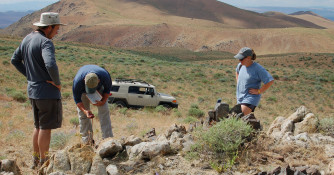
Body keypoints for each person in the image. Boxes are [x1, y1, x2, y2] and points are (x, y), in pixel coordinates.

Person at [11, 12, 65, 168]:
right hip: (47, 92)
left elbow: (14, 60)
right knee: (45, 128)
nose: (58, 31)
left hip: (33, 90)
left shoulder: (27, 38)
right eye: (56, 28)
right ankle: (43, 162)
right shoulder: (45, 42)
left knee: (38, 126)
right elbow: (50, 64)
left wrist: (30, 76)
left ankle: (35, 160)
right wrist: (57, 82)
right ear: (49, 27)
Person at [72, 65, 113, 144]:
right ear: (84, 80)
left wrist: (103, 101)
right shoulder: (77, 81)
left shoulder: (105, 76)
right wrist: (85, 111)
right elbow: (77, 100)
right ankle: (87, 141)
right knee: (83, 115)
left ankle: (108, 140)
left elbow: (107, 91)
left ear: (98, 80)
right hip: (82, 91)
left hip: (99, 90)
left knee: (104, 111)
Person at [234, 47, 274, 115]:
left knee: (239, 117)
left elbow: (270, 80)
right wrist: (239, 82)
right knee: (241, 120)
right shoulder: (240, 65)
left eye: (241, 58)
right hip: (240, 97)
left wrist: (259, 91)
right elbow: (237, 72)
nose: (239, 60)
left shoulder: (258, 68)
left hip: (250, 98)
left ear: (249, 58)